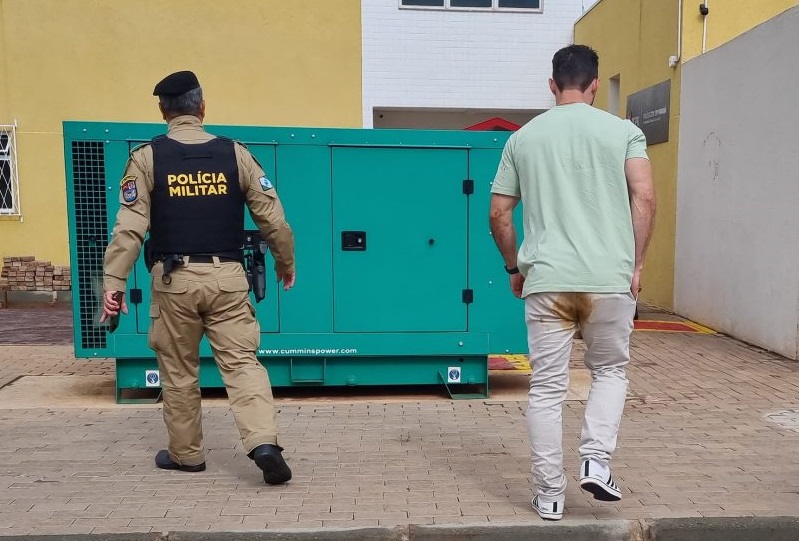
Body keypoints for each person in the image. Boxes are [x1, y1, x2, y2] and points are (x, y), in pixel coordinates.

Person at [100, 70, 296, 485]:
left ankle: (187, 456)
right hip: (227, 279)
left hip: (174, 283)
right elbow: (273, 219)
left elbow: (129, 230)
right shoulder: (235, 154)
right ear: (202, 108)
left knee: (178, 371)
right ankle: (263, 443)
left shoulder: (146, 158)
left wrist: (113, 285)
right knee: (243, 364)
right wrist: (285, 263)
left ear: (163, 111)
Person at [489, 45, 656, 520]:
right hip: (610, 280)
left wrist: (513, 268)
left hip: (550, 282)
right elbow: (643, 198)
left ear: (552, 84)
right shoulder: (624, 132)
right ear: (596, 85)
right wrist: (637, 264)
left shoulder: (523, 139)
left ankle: (549, 494)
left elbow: (499, 212)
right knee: (609, 371)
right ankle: (596, 462)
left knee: (546, 388)